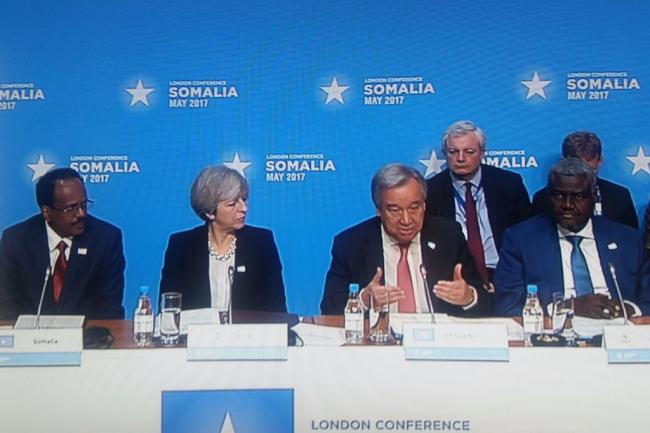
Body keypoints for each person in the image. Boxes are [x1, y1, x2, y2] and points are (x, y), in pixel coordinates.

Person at [321, 163, 491, 316]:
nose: (406, 220)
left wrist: (468, 297)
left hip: (438, 335)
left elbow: (487, 302)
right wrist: (363, 300)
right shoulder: (351, 244)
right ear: (379, 210)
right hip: (378, 336)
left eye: (414, 208)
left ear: (424, 205)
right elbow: (329, 309)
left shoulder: (448, 236)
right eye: (395, 210)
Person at [494, 158, 650, 318]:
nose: (567, 204)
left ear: (594, 196)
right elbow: (507, 306)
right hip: (554, 329)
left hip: (618, 327)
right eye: (559, 195)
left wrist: (629, 309)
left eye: (578, 196)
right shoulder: (521, 240)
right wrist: (568, 307)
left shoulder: (629, 240)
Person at [0, 168, 125, 320]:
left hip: (87, 333)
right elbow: (6, 307)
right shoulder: (16, 240)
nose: (81, 214)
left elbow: (109, 308)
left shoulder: (105, 238)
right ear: (47, 212)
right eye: (71, 208)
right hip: (29, 333)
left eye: (84, 205)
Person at [159, 165, 287, 313]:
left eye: (244, 200)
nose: (244, 208)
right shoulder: (181, 246)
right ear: (209, 211)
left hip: (249, 329)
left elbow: (278, 310)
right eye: (232, 204)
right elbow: (169, 310)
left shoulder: (262, 243)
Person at [425, 120, 531, 290]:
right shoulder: (431, 191)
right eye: (453, 152)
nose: (460, 158)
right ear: (445, 154)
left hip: (506, 274)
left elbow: (528, 234)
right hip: (456, 278)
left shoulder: (509, 184)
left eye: (469, 151)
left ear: (482, 153)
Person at [531, 131, 638, 228]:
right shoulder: (543, 199)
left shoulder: (620, 196)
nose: (584, 178)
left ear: (599, 160)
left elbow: (631, 237)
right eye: (577, 171)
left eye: (590, 170)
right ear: (563, 162)